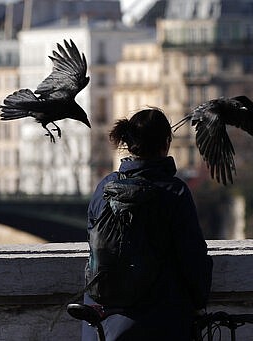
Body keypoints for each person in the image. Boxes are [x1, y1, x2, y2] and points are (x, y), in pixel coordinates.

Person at [83, 108, 213, 341]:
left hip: (102, 324)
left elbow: (94, 247)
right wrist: (199, 301)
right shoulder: (174, 191)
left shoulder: (105, 188)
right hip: (160, 322)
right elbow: (192, 258)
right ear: (165, 144)